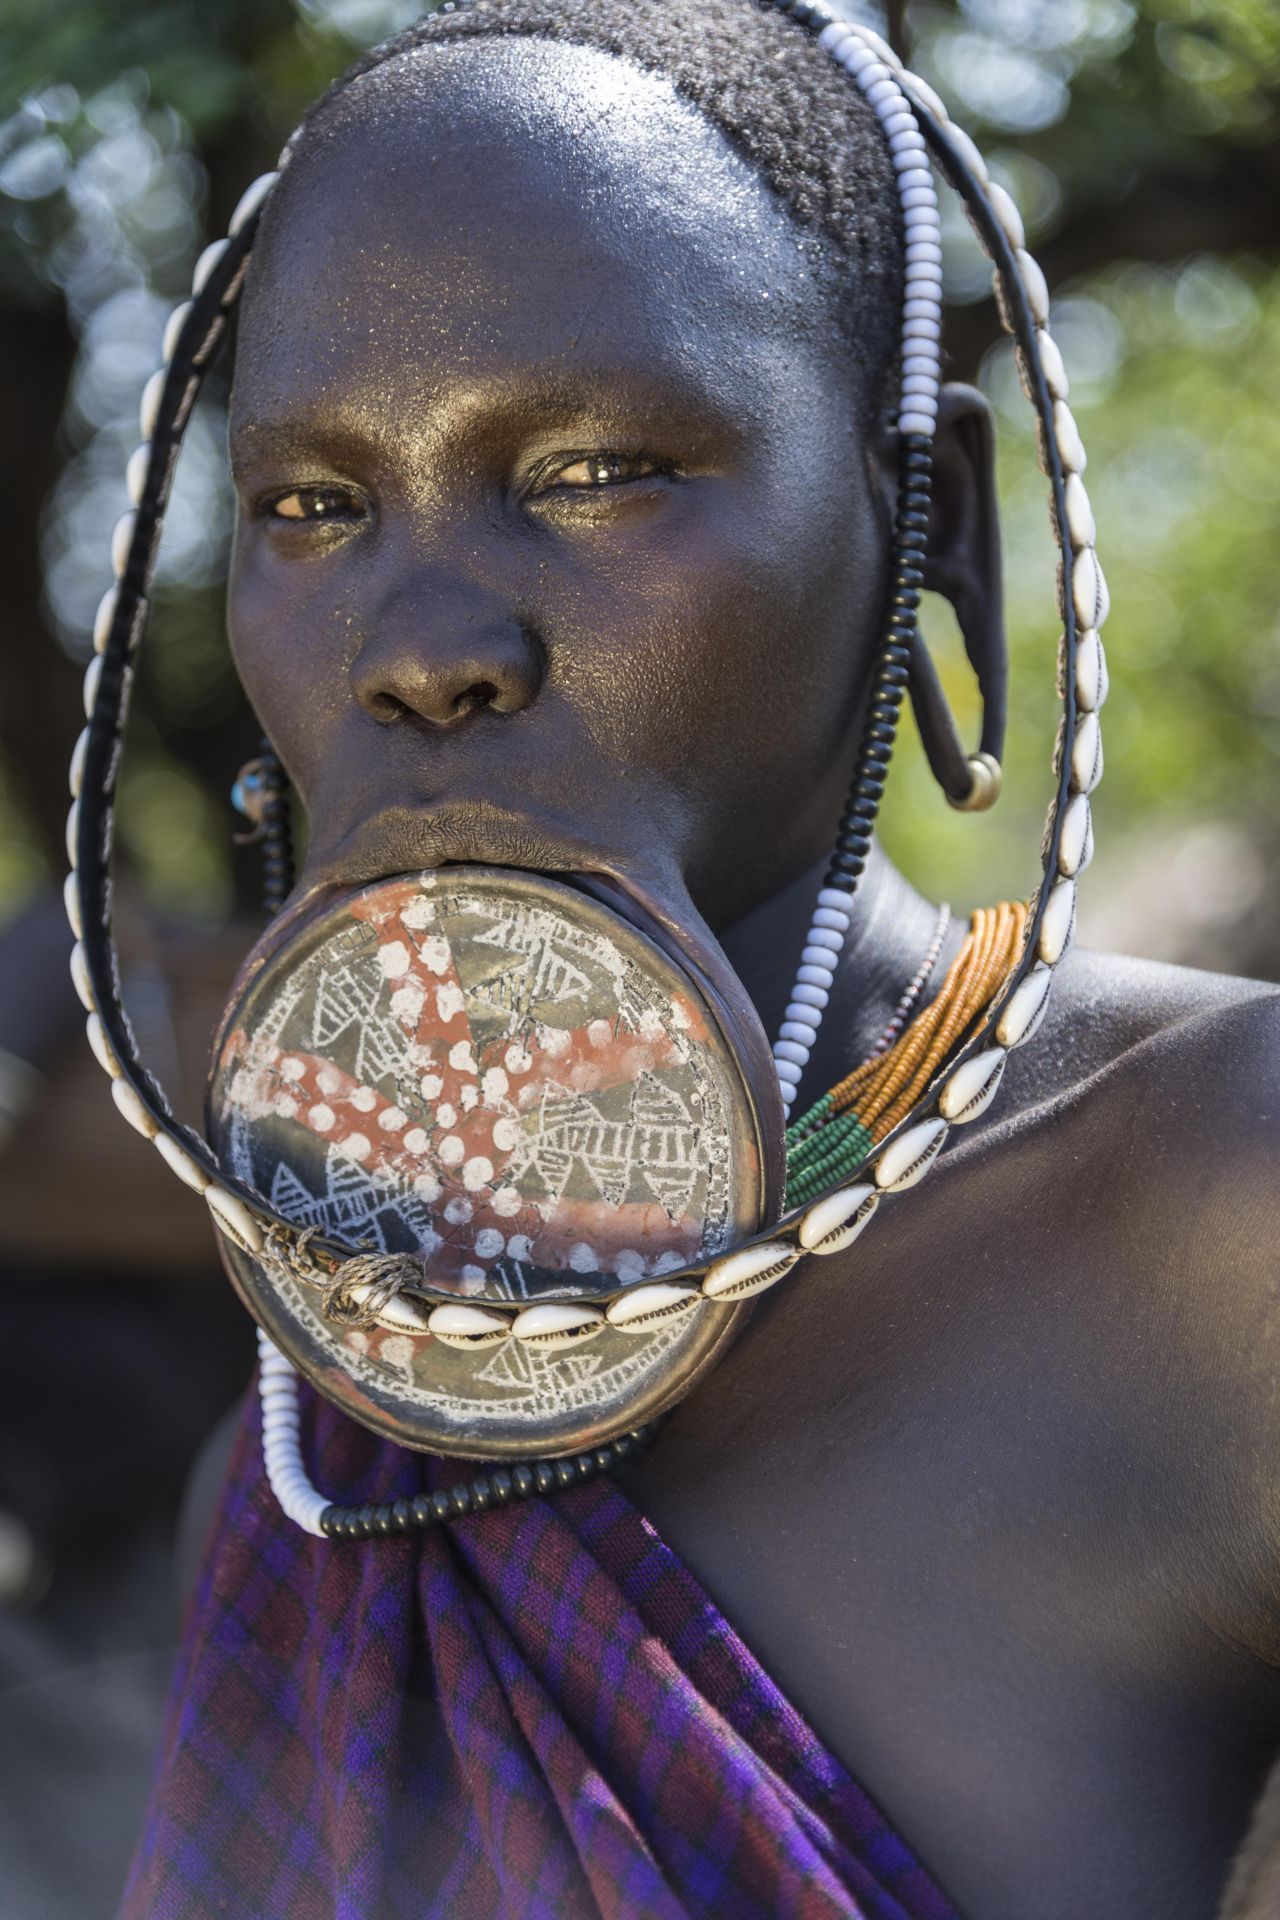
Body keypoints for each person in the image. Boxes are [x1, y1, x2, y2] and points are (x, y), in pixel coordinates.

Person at [107, 3, 1280, 1916]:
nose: (423, 645)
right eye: (312, 508)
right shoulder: (302, 1465)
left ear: (934, 532)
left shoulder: (1228, 1223)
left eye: (595, 472)